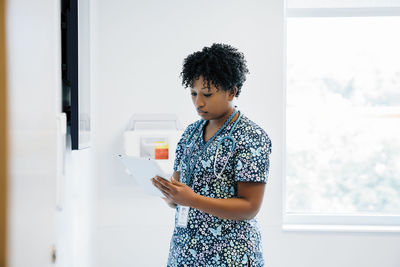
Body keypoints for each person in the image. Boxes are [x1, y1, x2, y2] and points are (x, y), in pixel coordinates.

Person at [151, 43, 272, 267]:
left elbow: (250, 207)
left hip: (230, 256)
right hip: (184, 254)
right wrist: (171, 195)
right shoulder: (190, 134)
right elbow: (180, 197)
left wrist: (193, 200)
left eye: (207, 94)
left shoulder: (251, 137)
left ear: (231, 92)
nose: (199, 102)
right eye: (193, 93)